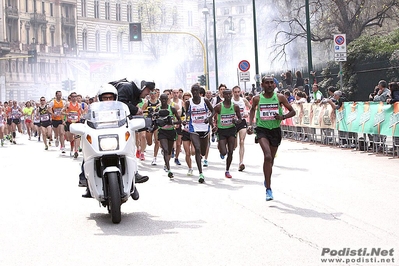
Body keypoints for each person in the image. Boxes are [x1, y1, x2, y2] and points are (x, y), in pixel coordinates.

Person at [247, 76, 296, 201]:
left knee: (271, 160)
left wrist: (282, 116)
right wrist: (250, 125)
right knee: (267, 156)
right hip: (262, 130)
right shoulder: (257, 98)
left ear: (274, 85)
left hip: (275, 130)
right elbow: (252, 111)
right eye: (267, 83)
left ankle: (266, 177)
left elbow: (293, 111)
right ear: (262, 85)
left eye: (271, 83)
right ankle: (268, 189)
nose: (269, 85)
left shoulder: (280, 97)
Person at [116, 79, 156, 184]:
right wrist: (135, 110)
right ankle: (84, 177)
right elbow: (120, 104)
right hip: (109, 125)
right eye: (148, 91)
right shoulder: (126, 88)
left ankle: (134, 173)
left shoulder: (135, 95)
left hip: (122, 126)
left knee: (130, 149)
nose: (148, 94)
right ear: (143, 87)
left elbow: (128, 112)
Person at [184, 84, 214, 183]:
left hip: (204, 128)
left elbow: (213, 111)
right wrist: (186, 121)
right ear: (191, 92)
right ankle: (201, 173)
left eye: (197, 91)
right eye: (193, 91)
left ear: (199, 91)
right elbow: (187, 114)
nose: (195, 93)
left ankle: (202, 157)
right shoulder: (188, 102)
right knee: (197, 149)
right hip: (194, 128)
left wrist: (209, 118)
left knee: (203, 152)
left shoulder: (204, 100)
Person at [213, 89, 242, 178]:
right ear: (223, 95)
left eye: (230, 94)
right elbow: (212, 116)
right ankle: (221, 149)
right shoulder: (219, 106)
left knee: (230, 151)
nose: (228, 96)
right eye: (226, 94)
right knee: (224, 152)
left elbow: (240, 119)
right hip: (221, 131)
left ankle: (227, 170)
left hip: (231, 130)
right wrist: (213, 125)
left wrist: (236, 121)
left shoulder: (235, 106)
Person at [157, 93, 181, 178]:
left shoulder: (172, 109)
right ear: (160, 99)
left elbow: (179, 120)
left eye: (165, 99)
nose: (163, 101)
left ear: (167, 99)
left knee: (169, 151)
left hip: (171, 132)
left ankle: (166, 162)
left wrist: (172, 122)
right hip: (162, 132)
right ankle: (169, 169)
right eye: (162, 99)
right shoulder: (158, 109)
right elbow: (155, 121)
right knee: (166, 150)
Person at [232, 85, 252, 171]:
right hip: (233, 123)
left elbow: (252, 108)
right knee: (234, 145)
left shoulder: (243, 100)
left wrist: (247, 113)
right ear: (233, 93)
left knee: (242, 142)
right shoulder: (230, 101)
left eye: (238, 92)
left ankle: (241, 162)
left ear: (240, 92)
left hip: (242, 122)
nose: (237, 94)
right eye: (235, 92)